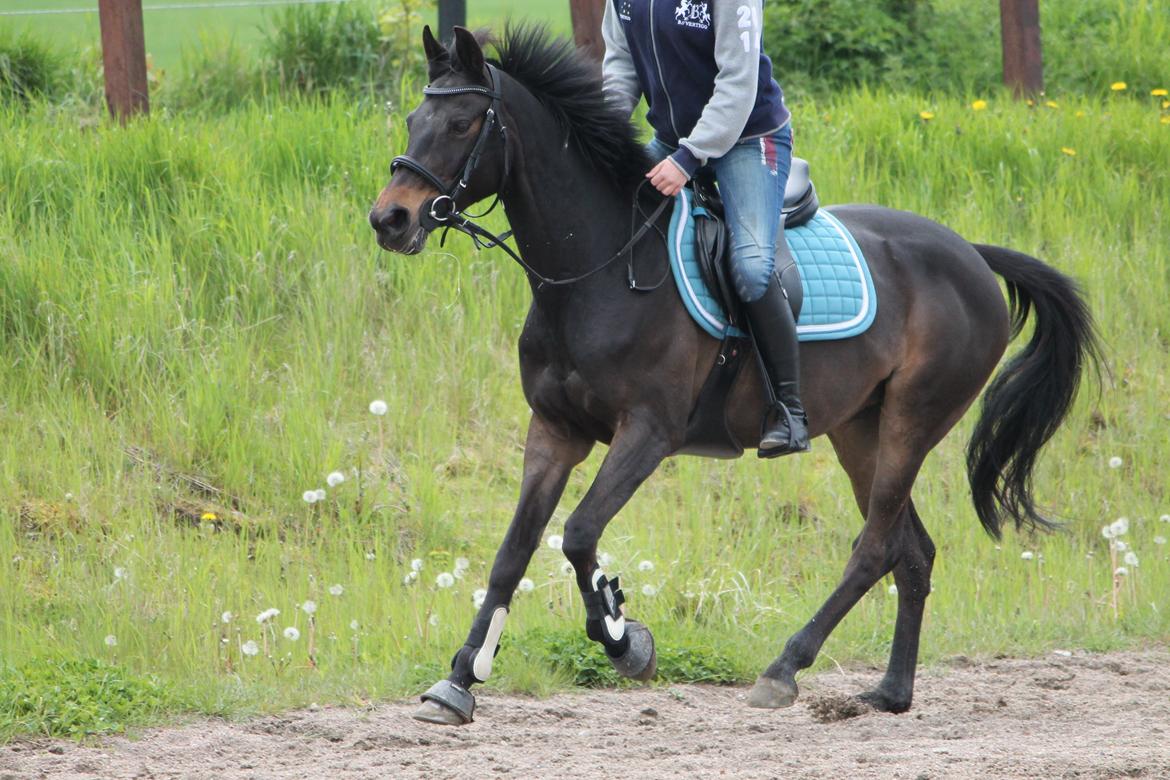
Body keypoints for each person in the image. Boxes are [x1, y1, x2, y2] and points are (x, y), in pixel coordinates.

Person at [601, 0, 809, 458]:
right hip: (672, 141)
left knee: (752, 268)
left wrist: (689, 159)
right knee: (607, 220)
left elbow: (738, 83)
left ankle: (789, 411)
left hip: (748, 140)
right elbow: (620, 67)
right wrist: (605, 136)